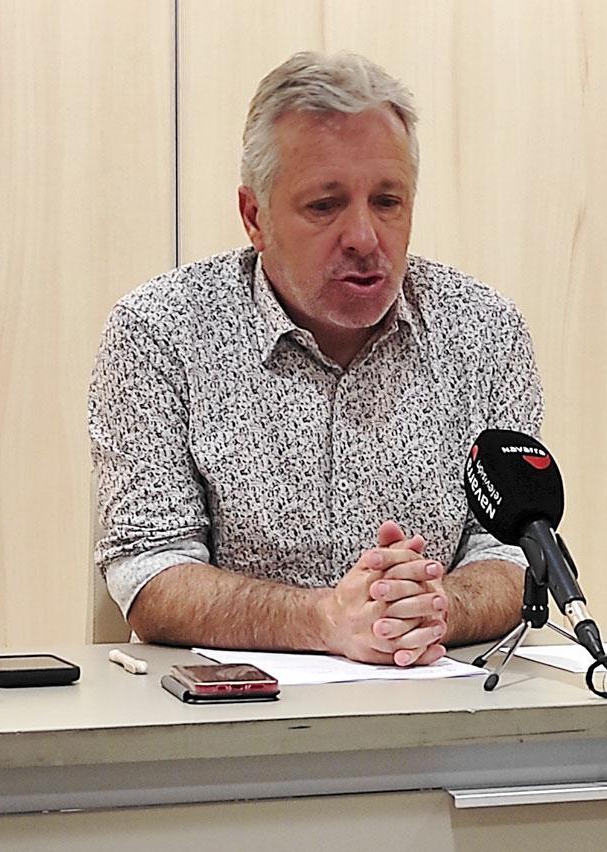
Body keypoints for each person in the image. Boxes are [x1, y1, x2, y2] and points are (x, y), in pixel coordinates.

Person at [90, 51, 543, 667]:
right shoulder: (160, 331)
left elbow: (517, 550)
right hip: (232, 728)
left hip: (445, 711)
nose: (363, 237)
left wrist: (435, 607)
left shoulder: (484, 330)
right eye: (325, 205)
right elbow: (151, 572)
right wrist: (327, 620)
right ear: (255, 216)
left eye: (388, 202)